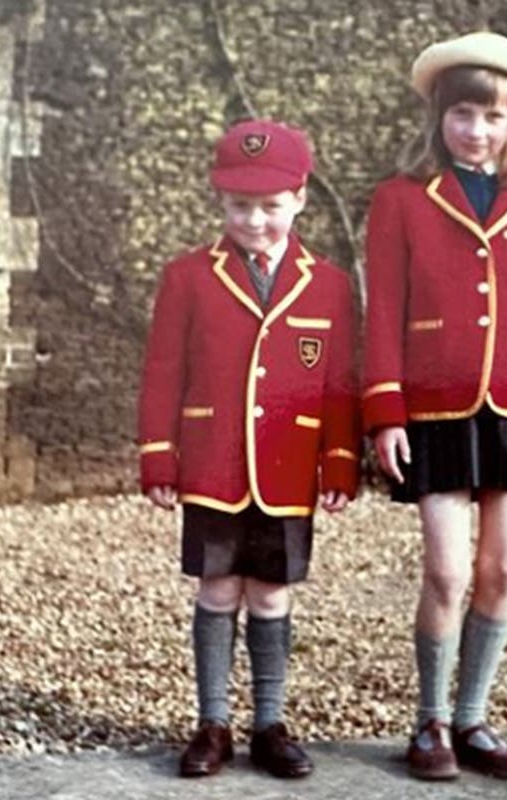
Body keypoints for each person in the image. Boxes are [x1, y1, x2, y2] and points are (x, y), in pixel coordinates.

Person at [361, 31, 507, 781]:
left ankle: (474, 719)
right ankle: (429, 722)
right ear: (439, 116)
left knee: (504, 568)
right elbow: (383, 309)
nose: (478, 130)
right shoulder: (400, 200)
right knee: (448, 574)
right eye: (464, 113)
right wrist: (384, 410)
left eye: (495, 117)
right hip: (432, 406)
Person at [137, 119, 360, 780]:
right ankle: (212, 723)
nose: (254, 221)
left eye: (269, 207)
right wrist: (158, 455)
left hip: (289, 470)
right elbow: (162, 372)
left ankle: (270, 723)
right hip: (211, 464)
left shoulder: (329, 285)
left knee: (270, 595)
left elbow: (340, 385)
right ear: (219, 202)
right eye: (239, 207)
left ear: (298, 200)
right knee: (216, 587)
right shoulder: (187, 277)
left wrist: (340, 460)